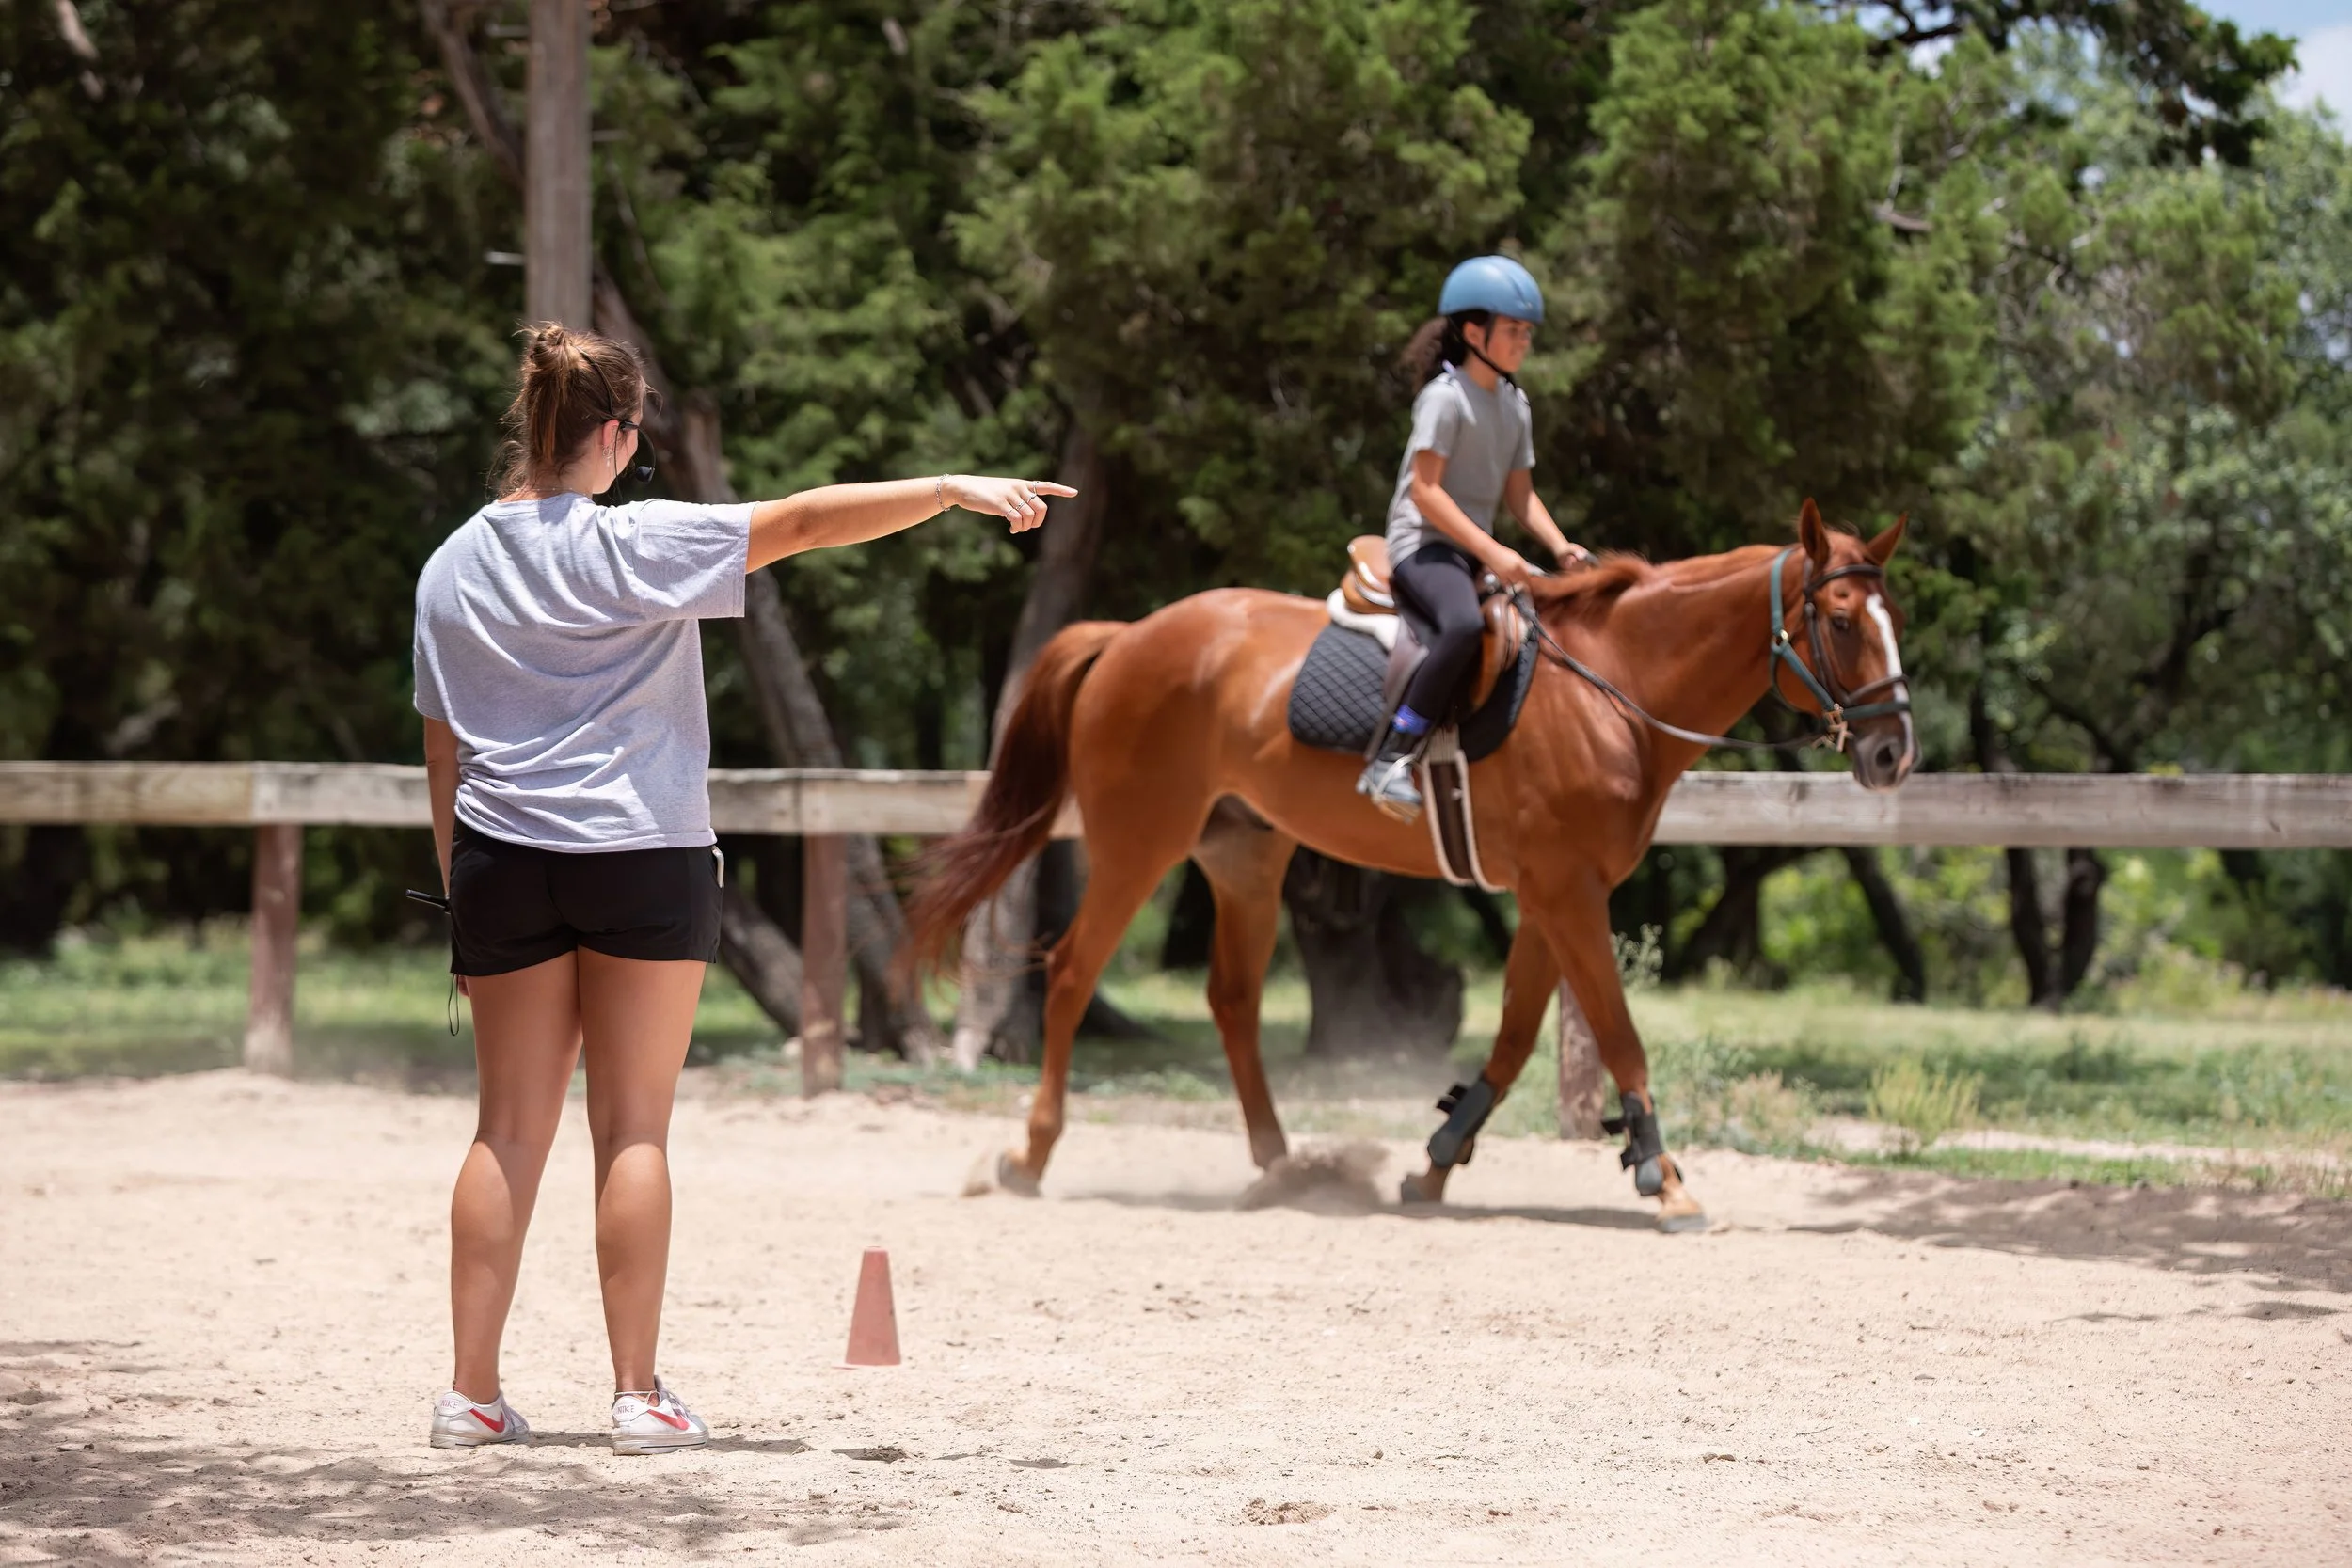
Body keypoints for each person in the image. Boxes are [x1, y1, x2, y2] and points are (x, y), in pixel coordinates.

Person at [414, 323, 1069, 1454]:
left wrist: (459, 895)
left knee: (507, 1129)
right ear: (612, 435)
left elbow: (443, 751)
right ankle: (637, 1395)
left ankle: (470, 1394)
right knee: (633, 1131)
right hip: (643, 855)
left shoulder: (450, 564)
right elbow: (807, 519)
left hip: (498, 858)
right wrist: (952, 486)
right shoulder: (636, 542)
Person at [1357, 256, 1588, 822]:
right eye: (1514, 330)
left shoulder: (1514, 405)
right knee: (1461, 626)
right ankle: (1392, 756)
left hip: (1471, 554)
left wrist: (1561, 548)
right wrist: (1494, 552)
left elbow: (1521, 497)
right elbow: (1426, 493)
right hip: (1423, 547)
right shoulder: (1446, 397)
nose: (1523, 342)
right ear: (1472, 332)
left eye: (1528, 332)